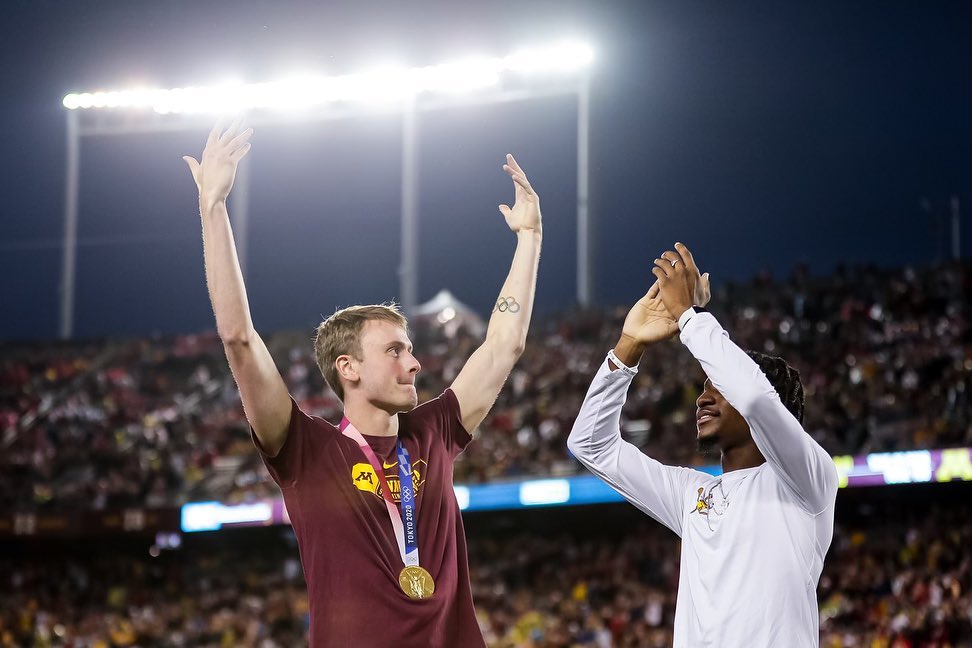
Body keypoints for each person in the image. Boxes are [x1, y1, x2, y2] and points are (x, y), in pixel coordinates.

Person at [183, 121, 543, 647]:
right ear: (347, 367)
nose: (414, 364)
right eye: (394, 350)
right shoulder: (306, 450)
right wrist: (212, 208)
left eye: (410, 350)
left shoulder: (434, 432)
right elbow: (239, 339)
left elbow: (503, 345)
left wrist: (530, 239)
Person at [567, 242, 838, 647]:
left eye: (718, 387)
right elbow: (591, 445)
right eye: (704, 388)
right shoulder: (692, 494)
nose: (702, 399)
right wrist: (629, 346)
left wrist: (689, 317)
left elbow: (754, 398)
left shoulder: (807, 480)